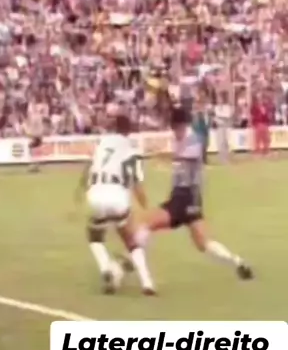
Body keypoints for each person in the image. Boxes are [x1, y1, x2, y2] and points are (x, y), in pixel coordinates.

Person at [134, 106, 253, 287]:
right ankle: (238, 262)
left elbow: (185, 158)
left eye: (176, 127)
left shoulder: (193, 140)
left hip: (185, 196)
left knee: (147, 223)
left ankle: (133, 261)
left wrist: (160, 156)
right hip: (190, 199)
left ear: (182, 125)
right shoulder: (180, 140)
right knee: (203, 243)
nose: (175, 131)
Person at [77, 113, 155, 295]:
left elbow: (88, 168)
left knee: (95, 236)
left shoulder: (102, 143)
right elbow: (136, 184)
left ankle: (106, 267)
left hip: (96, 193)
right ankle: (147, 282)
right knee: (130, 240)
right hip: (117, 194)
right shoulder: (132, 150)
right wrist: (145, 207)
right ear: (129, 130)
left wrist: (81, 191)